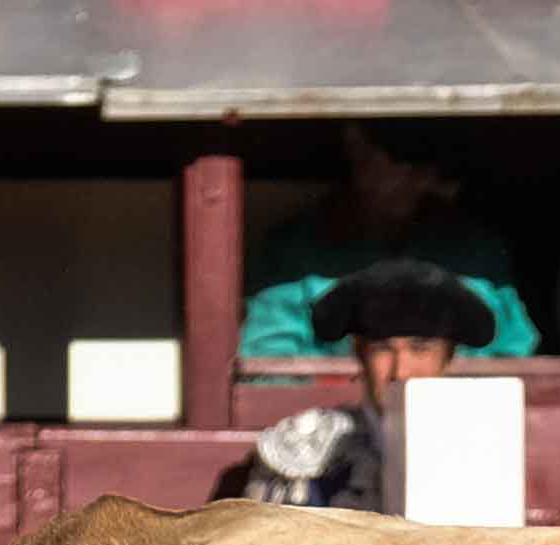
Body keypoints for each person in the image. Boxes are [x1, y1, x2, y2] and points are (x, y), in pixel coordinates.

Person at [238, 123, 539, 366]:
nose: (418, 179)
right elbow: (267, 363)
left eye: (430, 166)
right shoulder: (296, 251)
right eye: (403, 162)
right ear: (357, 147)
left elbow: (515, 353)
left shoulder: (475, 249)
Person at [219, 261, 496, 511]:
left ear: (447, 358)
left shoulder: (479, 447)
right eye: (383, 350)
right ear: (360, 354)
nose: (401, 372)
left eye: (420, 349)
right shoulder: (308, 448)